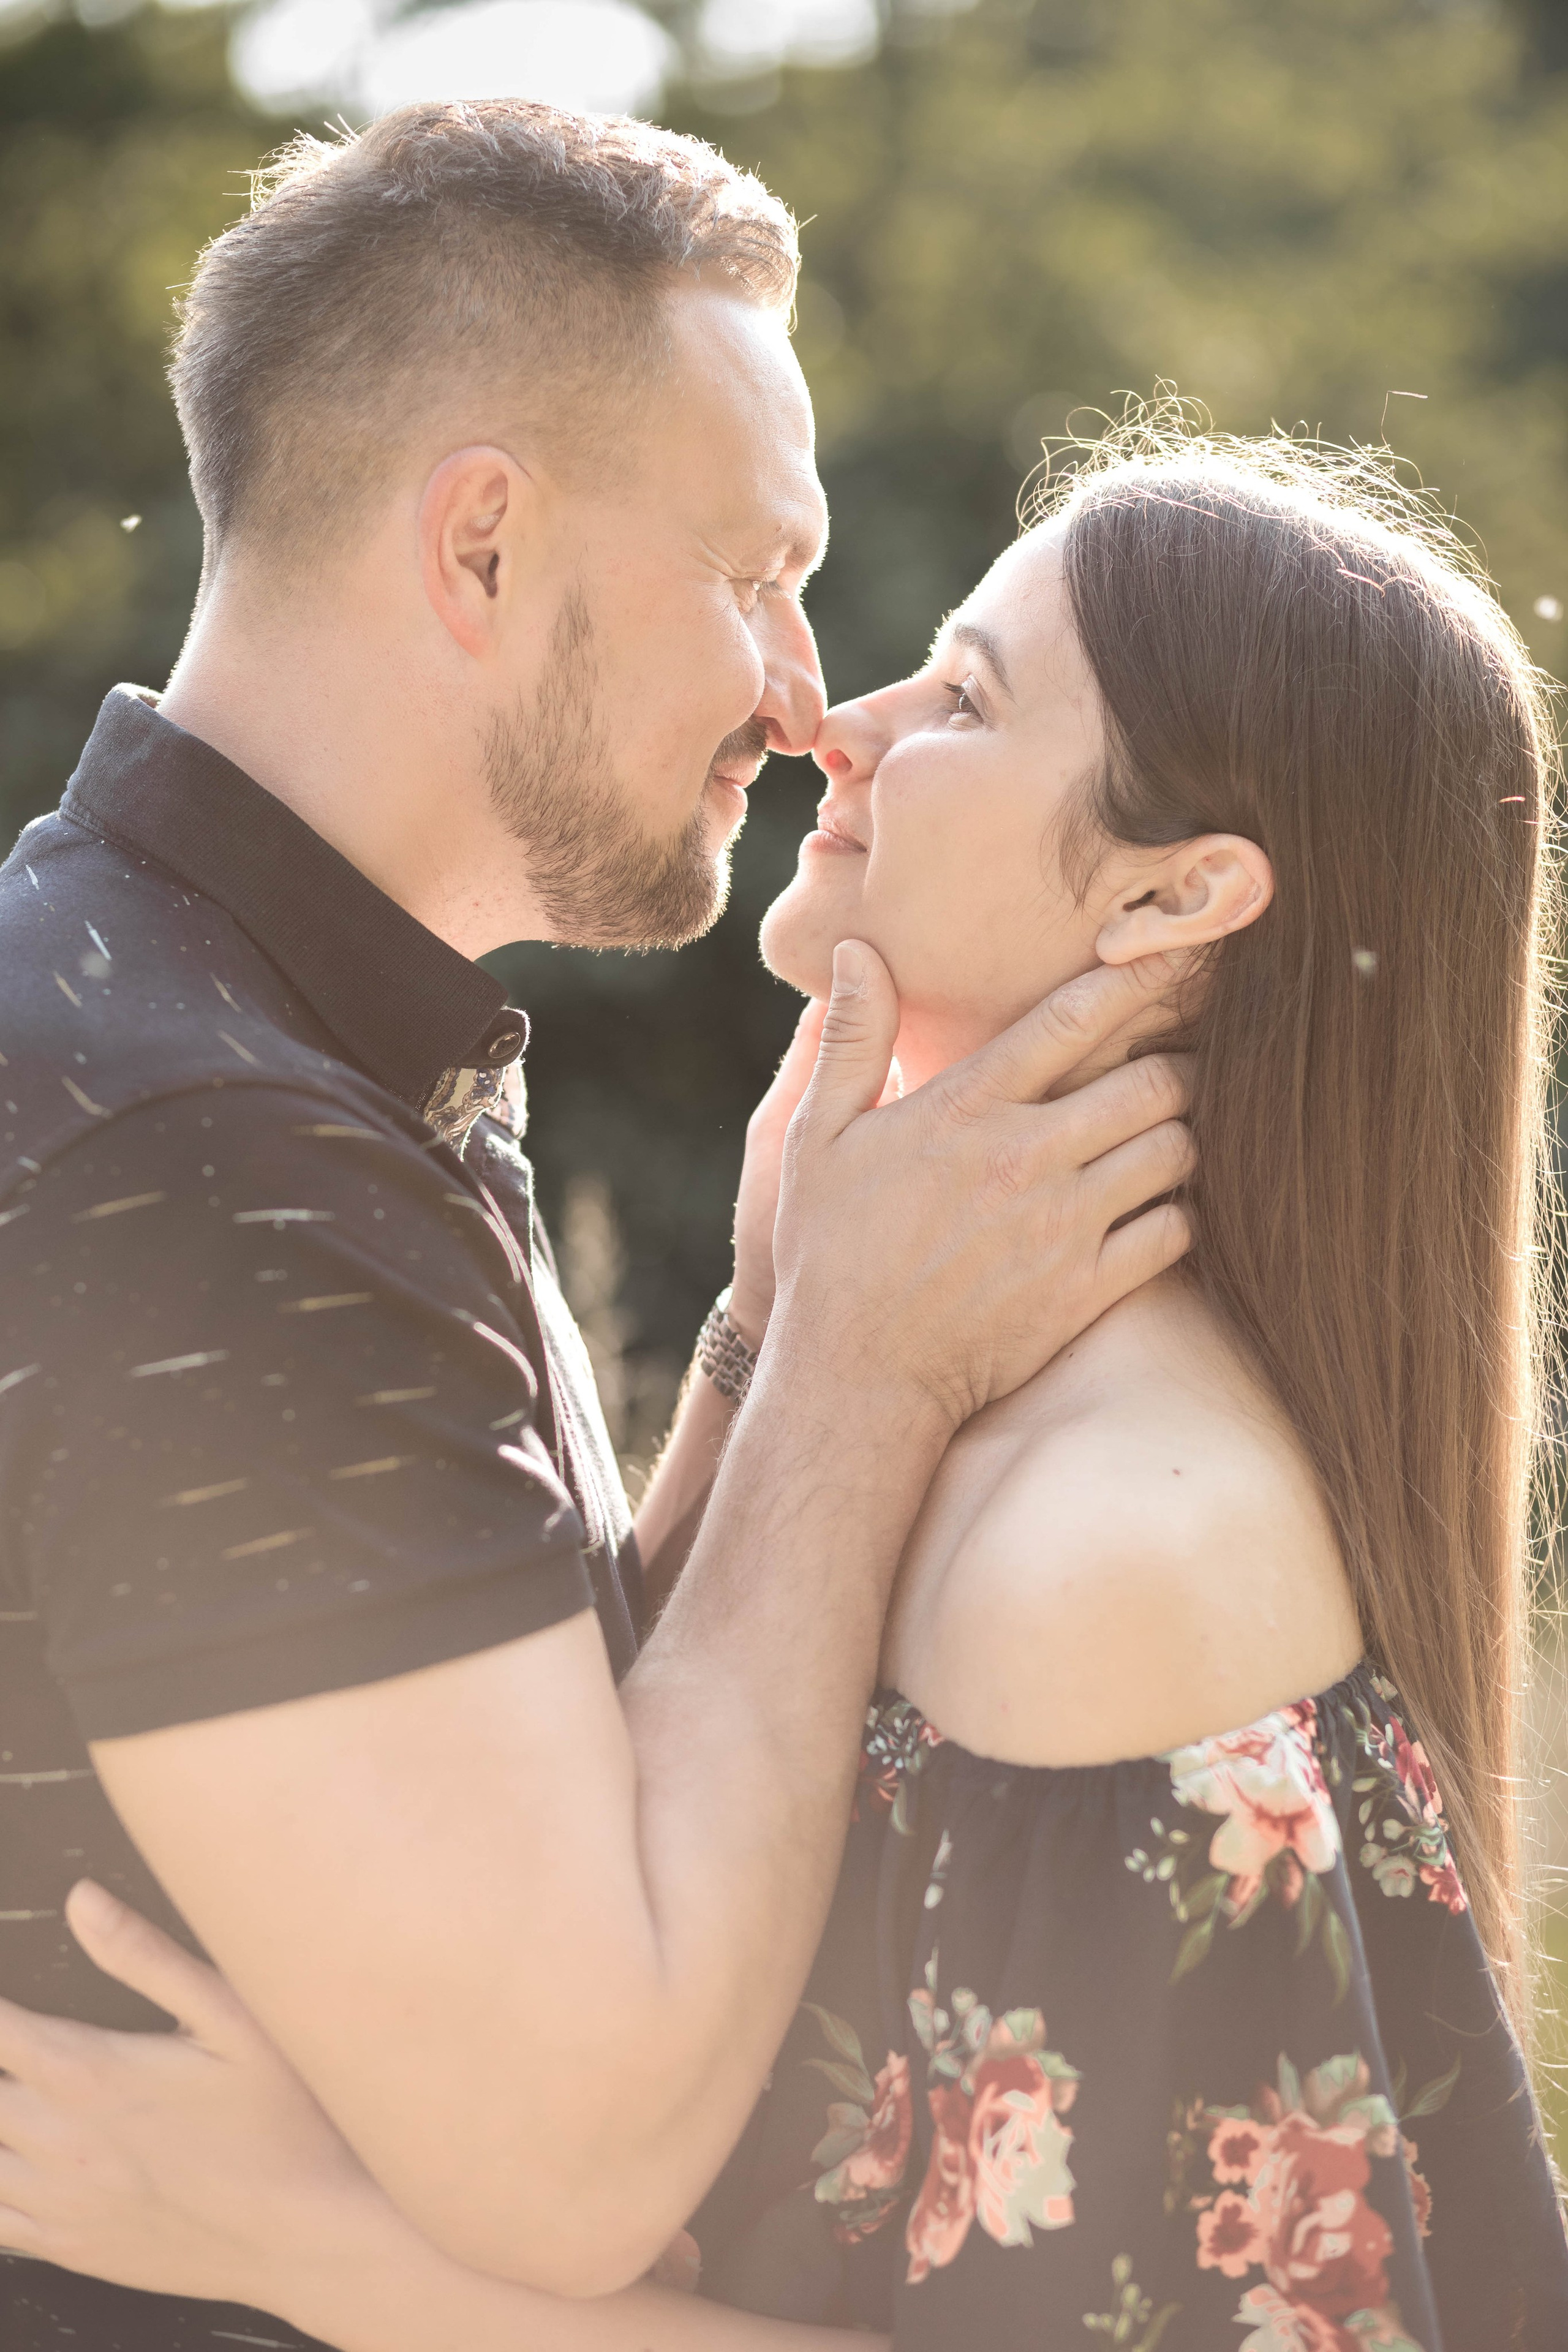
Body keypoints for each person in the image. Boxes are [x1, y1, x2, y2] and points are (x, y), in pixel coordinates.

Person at [2, 421, 1565, 2352]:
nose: (844, 720)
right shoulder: (942, 1380)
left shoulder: (1114, 1548)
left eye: (968, 699)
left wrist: (305, 2241)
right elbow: (630, 1858)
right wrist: (774, 1328)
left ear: (1174, 902)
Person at [0, 99, 1196, 2352]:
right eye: (755, 570)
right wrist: (864, 1360)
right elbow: (579, 2157)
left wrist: (756, 1333)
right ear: (479, 548)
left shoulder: (246, 1043)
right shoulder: (200, 1151)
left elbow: (563, 1777)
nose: (802, 692)